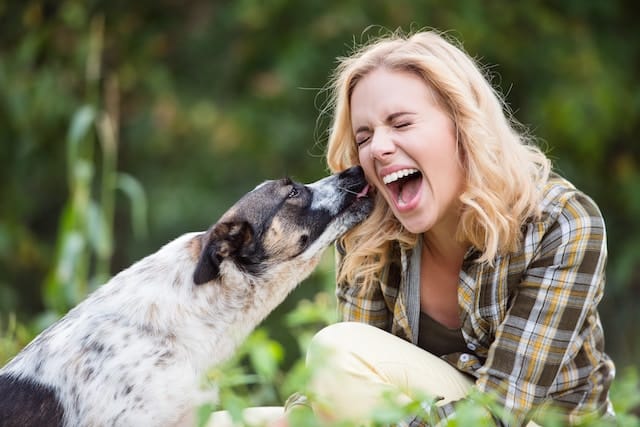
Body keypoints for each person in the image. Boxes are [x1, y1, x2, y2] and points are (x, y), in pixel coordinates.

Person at [209, 29, 615, 427]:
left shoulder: (561, 221)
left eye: (401, 124)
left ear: (463, 125)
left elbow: (499, 413)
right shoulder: (368, 232)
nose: (378, 148)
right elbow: (344, 389)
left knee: (336, 350)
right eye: (364, 135)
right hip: (426, 416)